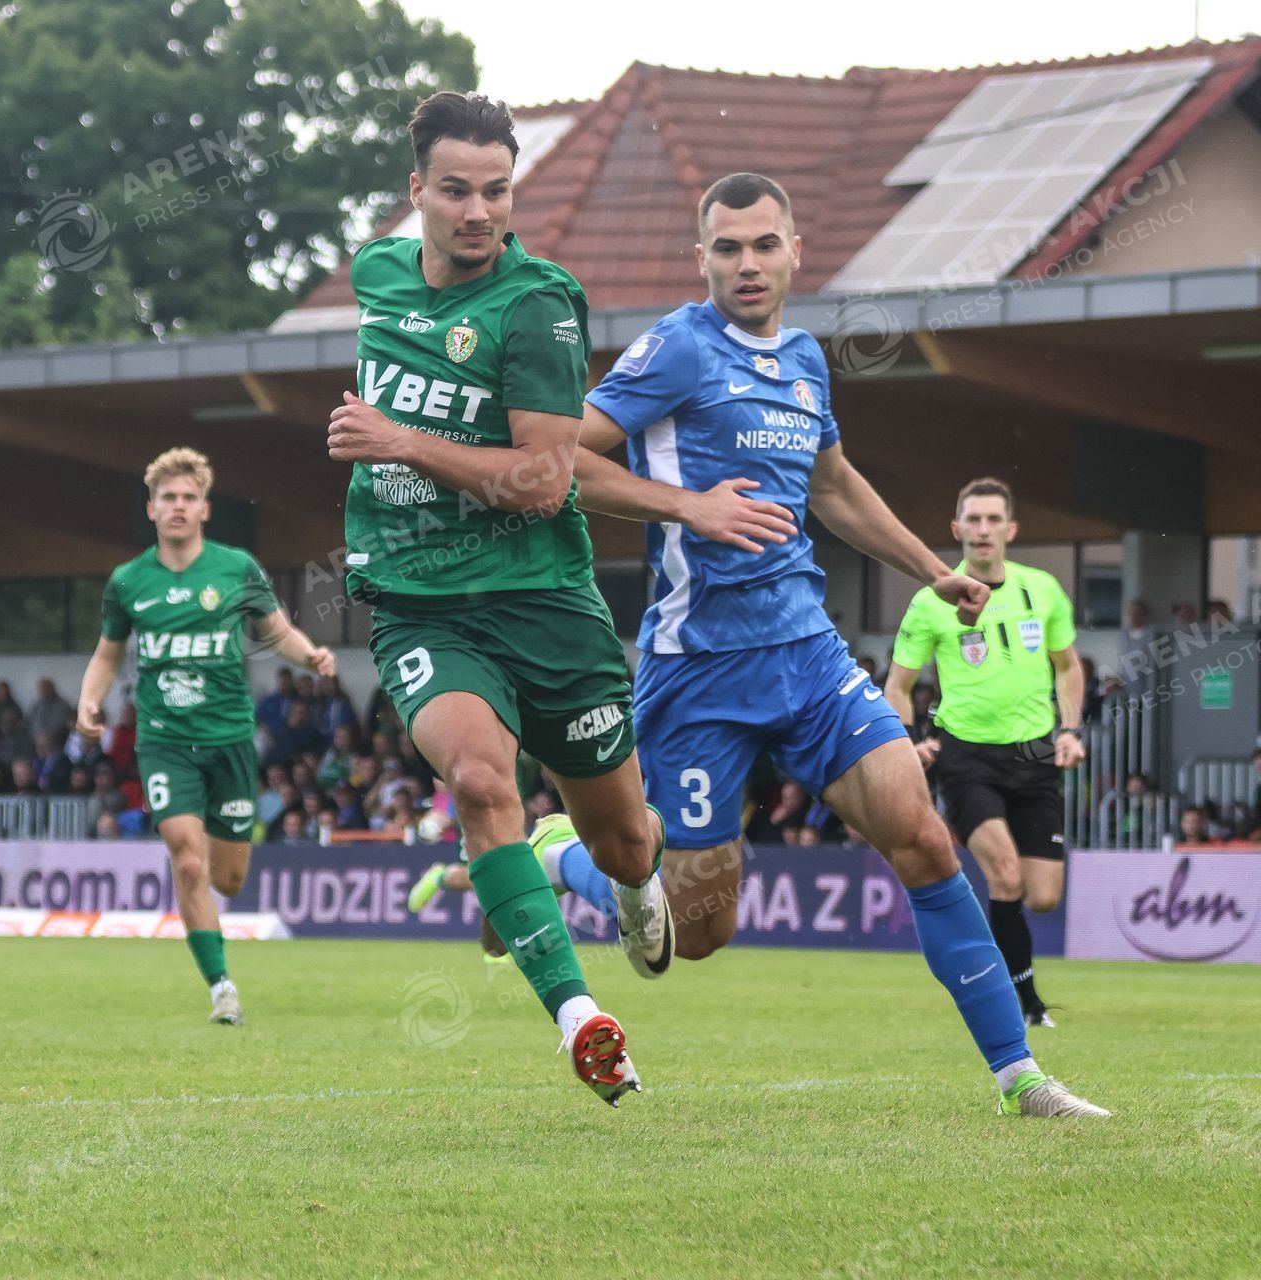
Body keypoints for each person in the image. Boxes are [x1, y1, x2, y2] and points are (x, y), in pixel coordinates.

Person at [568, 171, 1104, 1116]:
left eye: (763, 244)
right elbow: (560, 458)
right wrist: (688, 506)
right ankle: (574, 856)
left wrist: (932, 570)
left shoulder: (806, 358)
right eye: (727, 248)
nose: (747, 263)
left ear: (794, 252)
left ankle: (1021, 1076)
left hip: (809, 659)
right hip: (698, 672)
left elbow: (834, 485)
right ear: (702, 259)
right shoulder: (678, 349)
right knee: (700, 933)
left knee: (924, 838)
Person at [325, 91, 725, 1104]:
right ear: (417, 191)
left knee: (625, 840)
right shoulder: (375, 273)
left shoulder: (539, 305)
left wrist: (400, 440)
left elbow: (546, 481)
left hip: (544, 602)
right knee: (476, 780)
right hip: (421, 601)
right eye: (456, 190)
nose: (478, 212)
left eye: (497, 192)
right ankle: (581, 1020)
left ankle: (616, 876)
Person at [77, 446, 335, 1027]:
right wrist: (90, 699)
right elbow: (108, 653)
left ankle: (215, 930)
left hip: (230, 739)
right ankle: (222, 987)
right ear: (151, 509)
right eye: (167, 497)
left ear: (204, 509)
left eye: (188, 498)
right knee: (188, 862)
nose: (178, 506)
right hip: (164, 741)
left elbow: (277, 631)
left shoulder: (235, 568)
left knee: (228, 877)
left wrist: (311, 655)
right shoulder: (128, 580)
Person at [884, 478, 1086, 1030]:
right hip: (966, 758)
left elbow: (1069, 667)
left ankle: (1006, 976)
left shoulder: (1042, 589)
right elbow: (897, 686)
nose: (982, 529)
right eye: (972, 519)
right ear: (956, 529)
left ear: (1010, 529)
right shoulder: (931, 602)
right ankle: (1024, 1003)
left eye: (993, 519)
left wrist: (1071, 730)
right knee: (1005, 875)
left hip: (1036, 758)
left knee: (1042, 897)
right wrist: (910, 740)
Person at [26, 678, 74, 747]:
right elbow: (30, 720)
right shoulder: (37, 704)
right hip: (36, 740)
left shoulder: (62, 705)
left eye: (45, 689)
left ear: (51, 688)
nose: (42, 692)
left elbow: (60, 724)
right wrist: (37, 736)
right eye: (41, 689)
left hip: (55, 741)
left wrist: (46, 736)